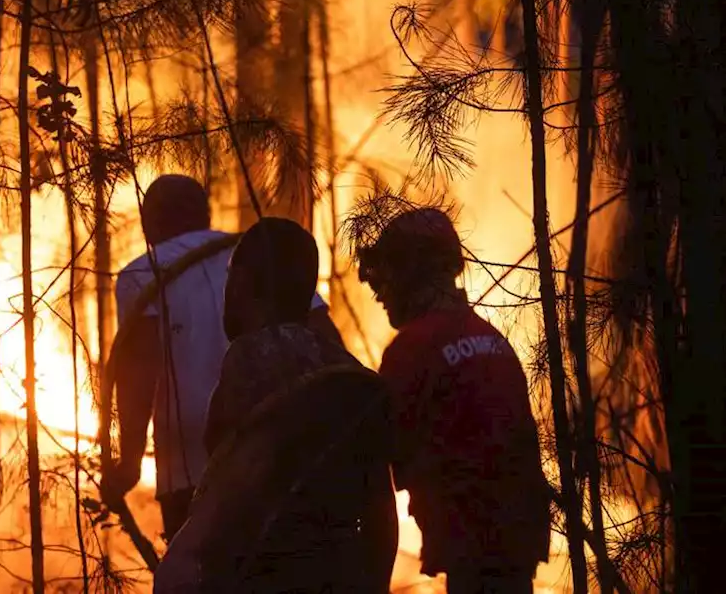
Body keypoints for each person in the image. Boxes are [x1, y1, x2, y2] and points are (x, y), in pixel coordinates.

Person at [154, 217, 397, 593]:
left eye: (232, 276)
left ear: (245, 284)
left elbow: (232, 489)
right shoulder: (349, 372)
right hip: (341, 575)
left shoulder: (250, 358)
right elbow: (381, 511)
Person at [100, 175, 342, 542]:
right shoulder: (262, 256)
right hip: (284, 456)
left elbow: (139, 370)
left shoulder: (142, 272)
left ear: (149, 222)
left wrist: (129, 463)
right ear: (205, 213)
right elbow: (326, 340)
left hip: (191, 470)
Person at [356, 206, 551, 594]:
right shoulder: (490, 338)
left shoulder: (412, 349)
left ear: (409, 274)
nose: (380, 295)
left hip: (473, 543)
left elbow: (376, 454)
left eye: (387, 275)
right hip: (515, 535)